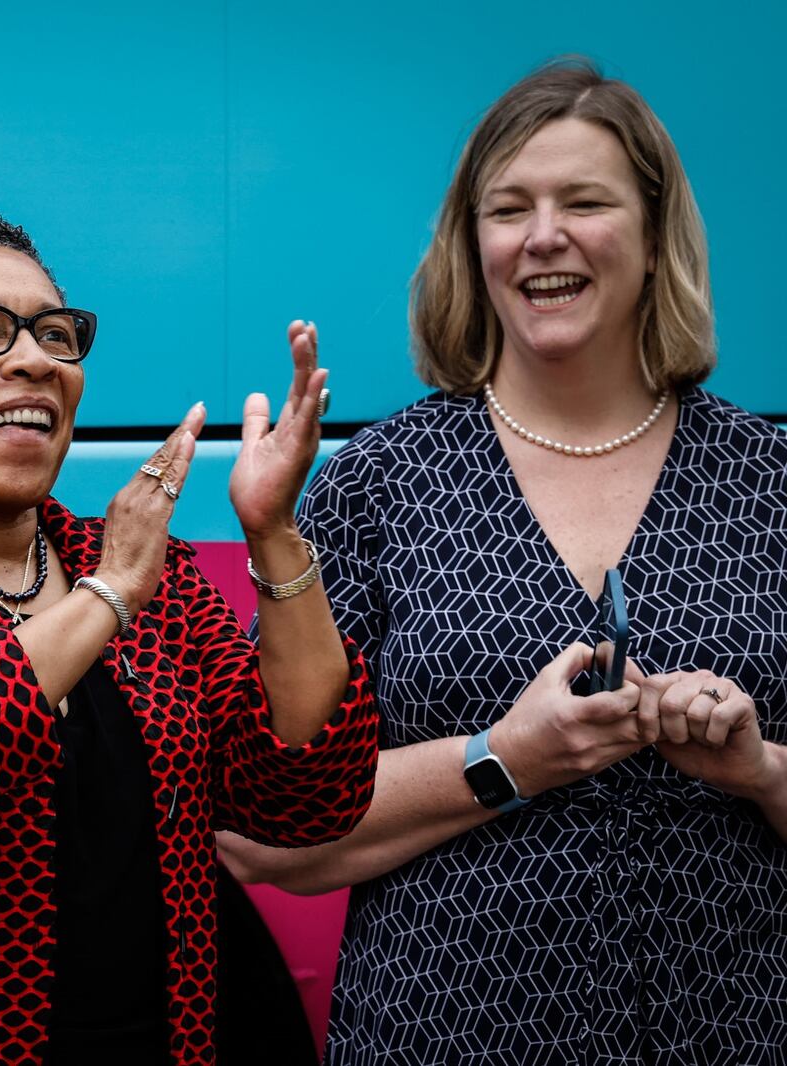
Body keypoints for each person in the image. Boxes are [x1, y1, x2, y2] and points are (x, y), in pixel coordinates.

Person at [218, 59, 787, 1065]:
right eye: (507, 208)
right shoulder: (378, 483)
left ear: (654, 240)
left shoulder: (769, 478)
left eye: (584, 202)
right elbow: (265, 831)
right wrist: (501, 760)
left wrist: (758, 771)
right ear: (470, 245)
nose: (542, 236)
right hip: (437, 1036)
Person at [0, 211, 380, 1064]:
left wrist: (274, 532)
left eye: (57, 334)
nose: (35, 360)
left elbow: (305, 791)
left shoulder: (119, 557)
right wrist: (108, 597)